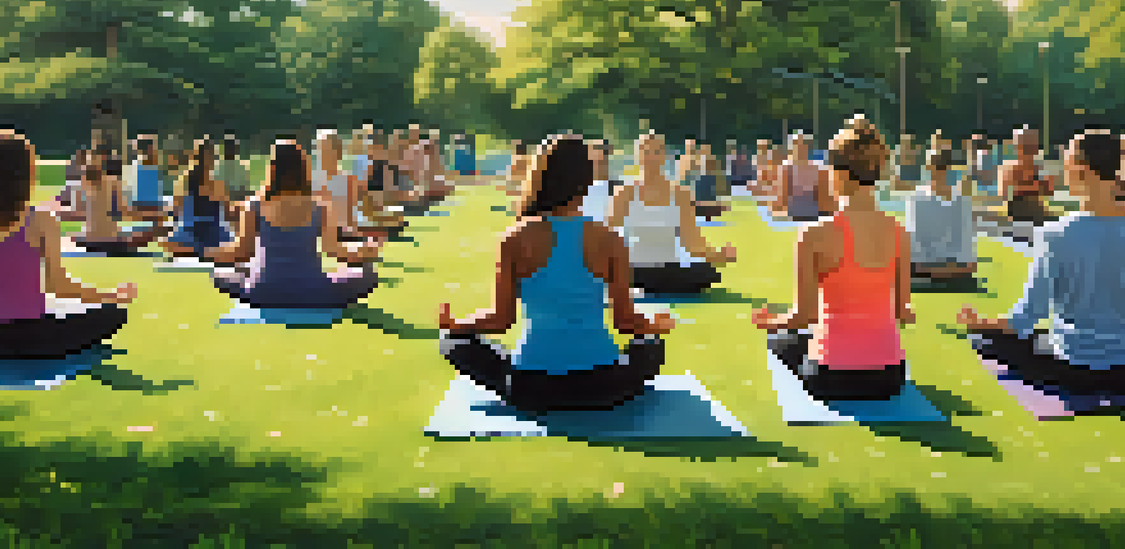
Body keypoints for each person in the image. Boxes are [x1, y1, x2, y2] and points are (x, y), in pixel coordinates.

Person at [438, 133, 676, 413]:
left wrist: (456, 324)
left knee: (452, 341)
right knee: (650, 344)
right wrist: (653, 325)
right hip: (604, 385)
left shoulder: (515, 237)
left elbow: (500, 319)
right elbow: (625, 321)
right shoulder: (610, 239)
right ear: (587, 182)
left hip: (532, 387)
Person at [957, 130, 1125, 395]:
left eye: (1067, 159)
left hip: (1075, 366)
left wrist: (980, 322)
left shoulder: (1056, 233)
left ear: (1082, 168)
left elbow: (1027, 316)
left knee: (983, 338)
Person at [752, 116, 915, 400]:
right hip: (889, 377)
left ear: (838, 174)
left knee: (779, 340)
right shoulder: (899, 232)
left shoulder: (814, 234)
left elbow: (804, 316)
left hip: (830, 375)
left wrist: (772, 321)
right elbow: (902, 313)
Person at [0, 127, 135, 359]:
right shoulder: (42, 219)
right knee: (113, 315)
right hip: (32, 337)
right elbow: (59, 286)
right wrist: (111, 295)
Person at [209, 139, 382, 308]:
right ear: (303, 169)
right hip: (314, 292)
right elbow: (334, 250)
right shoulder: (320, 206)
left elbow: (242, 251)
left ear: (272, 169)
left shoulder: (253, 205)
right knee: (367, 273)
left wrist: (212, 252)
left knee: (220, 274)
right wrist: (365, 251)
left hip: (264, 293)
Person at [606, 131, 737, 295]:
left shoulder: (680, 193)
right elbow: (608, 236)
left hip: (668, 266)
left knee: (709, 273)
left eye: (656, 152)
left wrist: (719, 255)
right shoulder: (624, 192)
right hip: (634, 267)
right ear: (638, 156)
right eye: (645, 152)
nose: (651, 158)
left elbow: (692, 243)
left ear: (664, 156)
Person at [71, 152, 170, 254]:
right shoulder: (112, 184)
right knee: (152, 232)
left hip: (89, 241)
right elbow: (124, 212)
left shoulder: (82, 187)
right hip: (109, 241)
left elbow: (81, 213)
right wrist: (152, 216)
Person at [905, 149, 978, 280]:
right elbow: (914, 250)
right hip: (927, 266)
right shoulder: (916, 199)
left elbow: (968, 258)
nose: (937, 172)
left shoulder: (962, 202)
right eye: (935, 166)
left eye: (941, 166)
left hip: (947, 267)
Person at [161, 138, 235, 259]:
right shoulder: (218, 184)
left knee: (166, 241)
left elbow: (175, 211)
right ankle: (204, 251)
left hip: (189, 232)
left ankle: (193, 250)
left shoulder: (183, 181)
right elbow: (227, 214)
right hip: (213, 233)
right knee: (232, 239)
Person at [999, 127, 1055, 232]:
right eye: (1026, 145)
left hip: (1038, 218)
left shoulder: (1039, 167)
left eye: (1033, 144)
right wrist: (1033, 186)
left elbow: (1049, 191)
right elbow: (1004, 193)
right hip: (1018, 218)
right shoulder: (1010, 168)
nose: (1032, 149)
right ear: (1017, 146)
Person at [776, 132, 833, 221]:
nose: (800, 149)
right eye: (797, 146)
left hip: (812, 212)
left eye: (802, 146)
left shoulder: (817, 167)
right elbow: (783, 196)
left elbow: (824, 196)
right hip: (797, 212)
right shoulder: (787, 168)